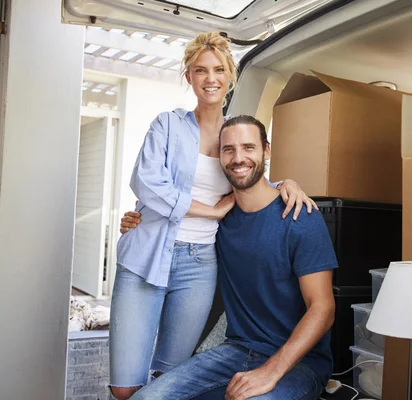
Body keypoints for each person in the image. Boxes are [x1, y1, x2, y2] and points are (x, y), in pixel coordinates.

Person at [110, 32, 317, 400]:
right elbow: (146, 183)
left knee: (170, 377)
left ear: (230, 77)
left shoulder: (233, 136)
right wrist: (213, 210)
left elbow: (249, 176)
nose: (210, 78)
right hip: (147, 251)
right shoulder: (168, 125)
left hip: (199, 261)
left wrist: (287, 182)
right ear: (188, 76)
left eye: (219, 69)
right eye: (200, 70)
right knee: (125, 387)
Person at [124, 115, 338, 400]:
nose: (238, 158)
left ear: (266, 151)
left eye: (249, 147)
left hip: (299, 363)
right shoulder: (218, 219)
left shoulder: (300, 216)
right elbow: (171, 221)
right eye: (229, 150)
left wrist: (272, 370)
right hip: (236, 351)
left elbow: (323, 308)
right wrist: (135, 221)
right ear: (220, 158)